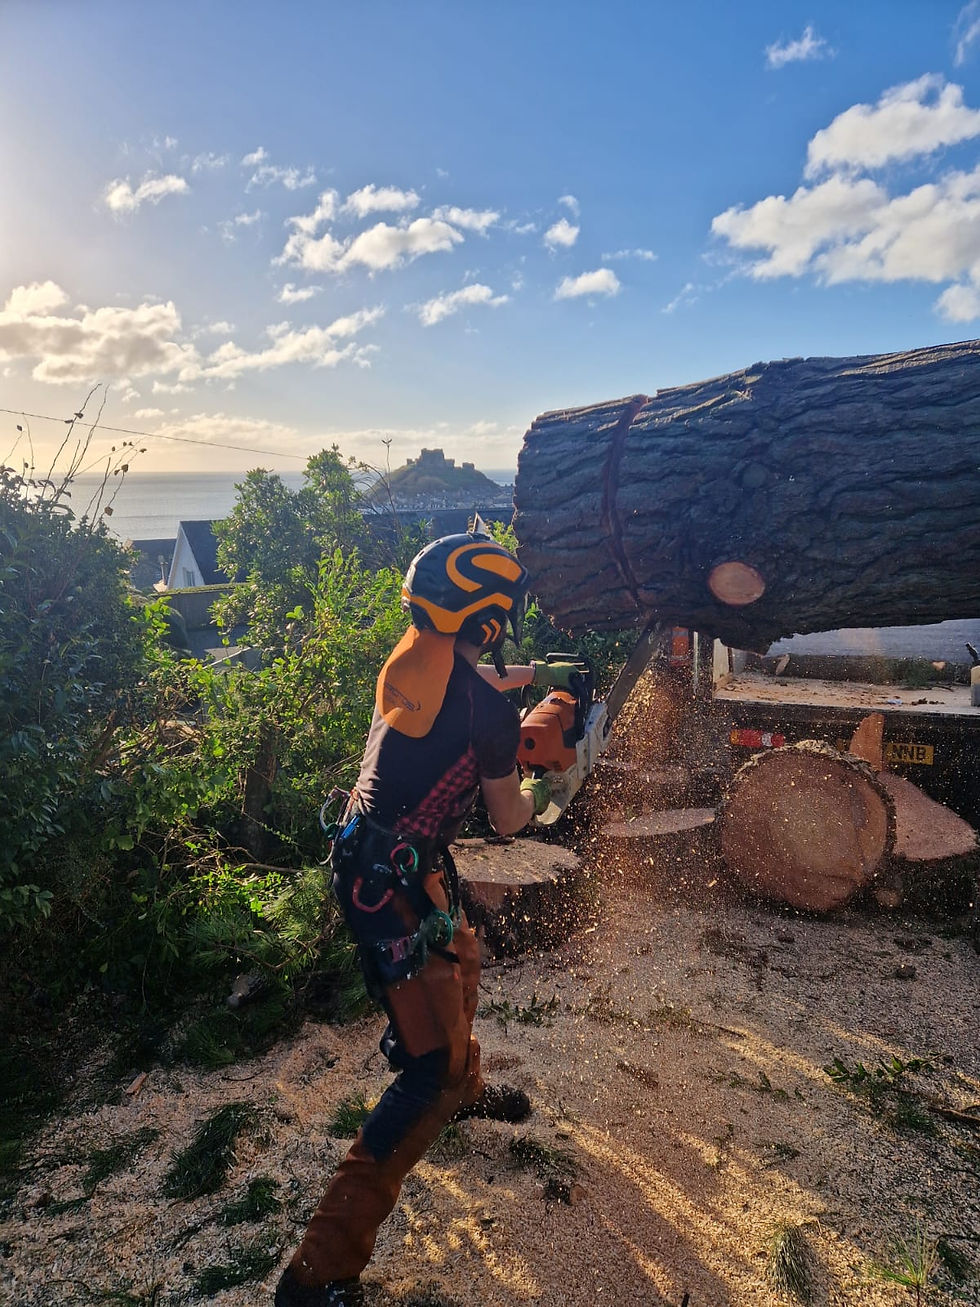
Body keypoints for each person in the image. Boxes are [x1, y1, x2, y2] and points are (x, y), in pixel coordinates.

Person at [275, 524, 581, 1307]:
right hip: (390, 884)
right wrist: (546, 783)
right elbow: (508, 818)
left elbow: (471, 682)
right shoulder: (486, 715)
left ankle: (463, 1088)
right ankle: (316, 1275)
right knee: (425, 1070)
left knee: (462, 956)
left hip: (389, 854)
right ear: (489, 620)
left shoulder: (416, 655)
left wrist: (536, 678)